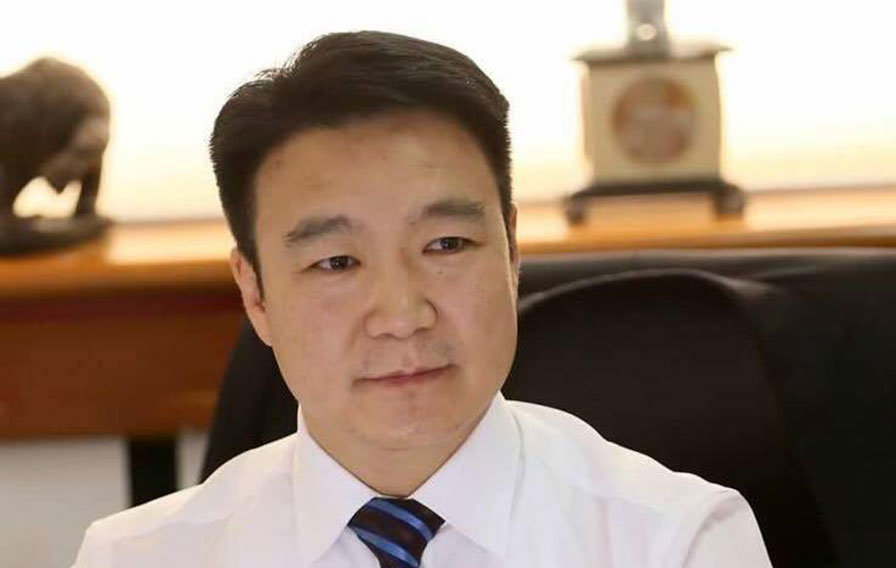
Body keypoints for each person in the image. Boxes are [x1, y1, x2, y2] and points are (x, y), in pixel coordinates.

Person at [72, 31, 771, 567]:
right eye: (336, 262)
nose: (403, 315)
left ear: (512, 252)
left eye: (446, 245)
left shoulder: (678, 542)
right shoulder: (138, 558)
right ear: (254, 293)